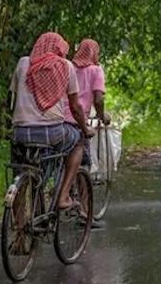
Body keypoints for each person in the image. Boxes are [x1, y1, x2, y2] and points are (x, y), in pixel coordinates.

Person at [10, 32, 95, 210]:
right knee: (78, 142)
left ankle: (19, 230)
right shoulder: (65, 66)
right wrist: (85, 129)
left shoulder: (23, 63)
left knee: (19, 173)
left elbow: (15, 96)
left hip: (21, 133)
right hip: (52, 132)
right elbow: (75, 107)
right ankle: (63, 196)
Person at [65, 38, 110, 166]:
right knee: (83, 160)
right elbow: (98, 99)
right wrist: (101, 115)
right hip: (78, 119)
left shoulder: (68, 67)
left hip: (60, 118)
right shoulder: (96, 70)